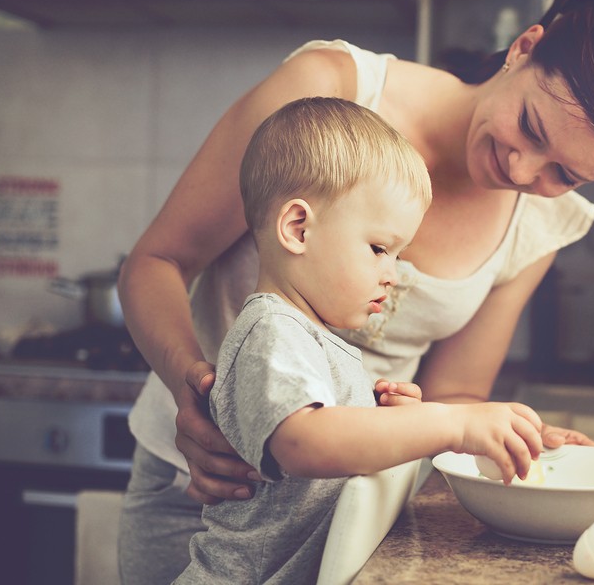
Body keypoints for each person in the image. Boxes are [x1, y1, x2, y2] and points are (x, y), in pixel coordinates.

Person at [117, 0, 594, 582]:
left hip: (338, 519)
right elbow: (157, 262)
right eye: (530, 126)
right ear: (524, 48)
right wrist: (197, 396)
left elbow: (456, 395)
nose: (521, 171)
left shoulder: (542, 222)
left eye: (564, 174)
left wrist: (507, 436)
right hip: (203, 489)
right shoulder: (331, 90)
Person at [171, 96, 544, 584]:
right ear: (297, 228)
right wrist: (447, 423)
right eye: (379, 248)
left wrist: (384, 419)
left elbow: (332, 437)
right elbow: (304, 442)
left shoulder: (314, 339)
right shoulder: (270, 332)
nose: (393, 274)